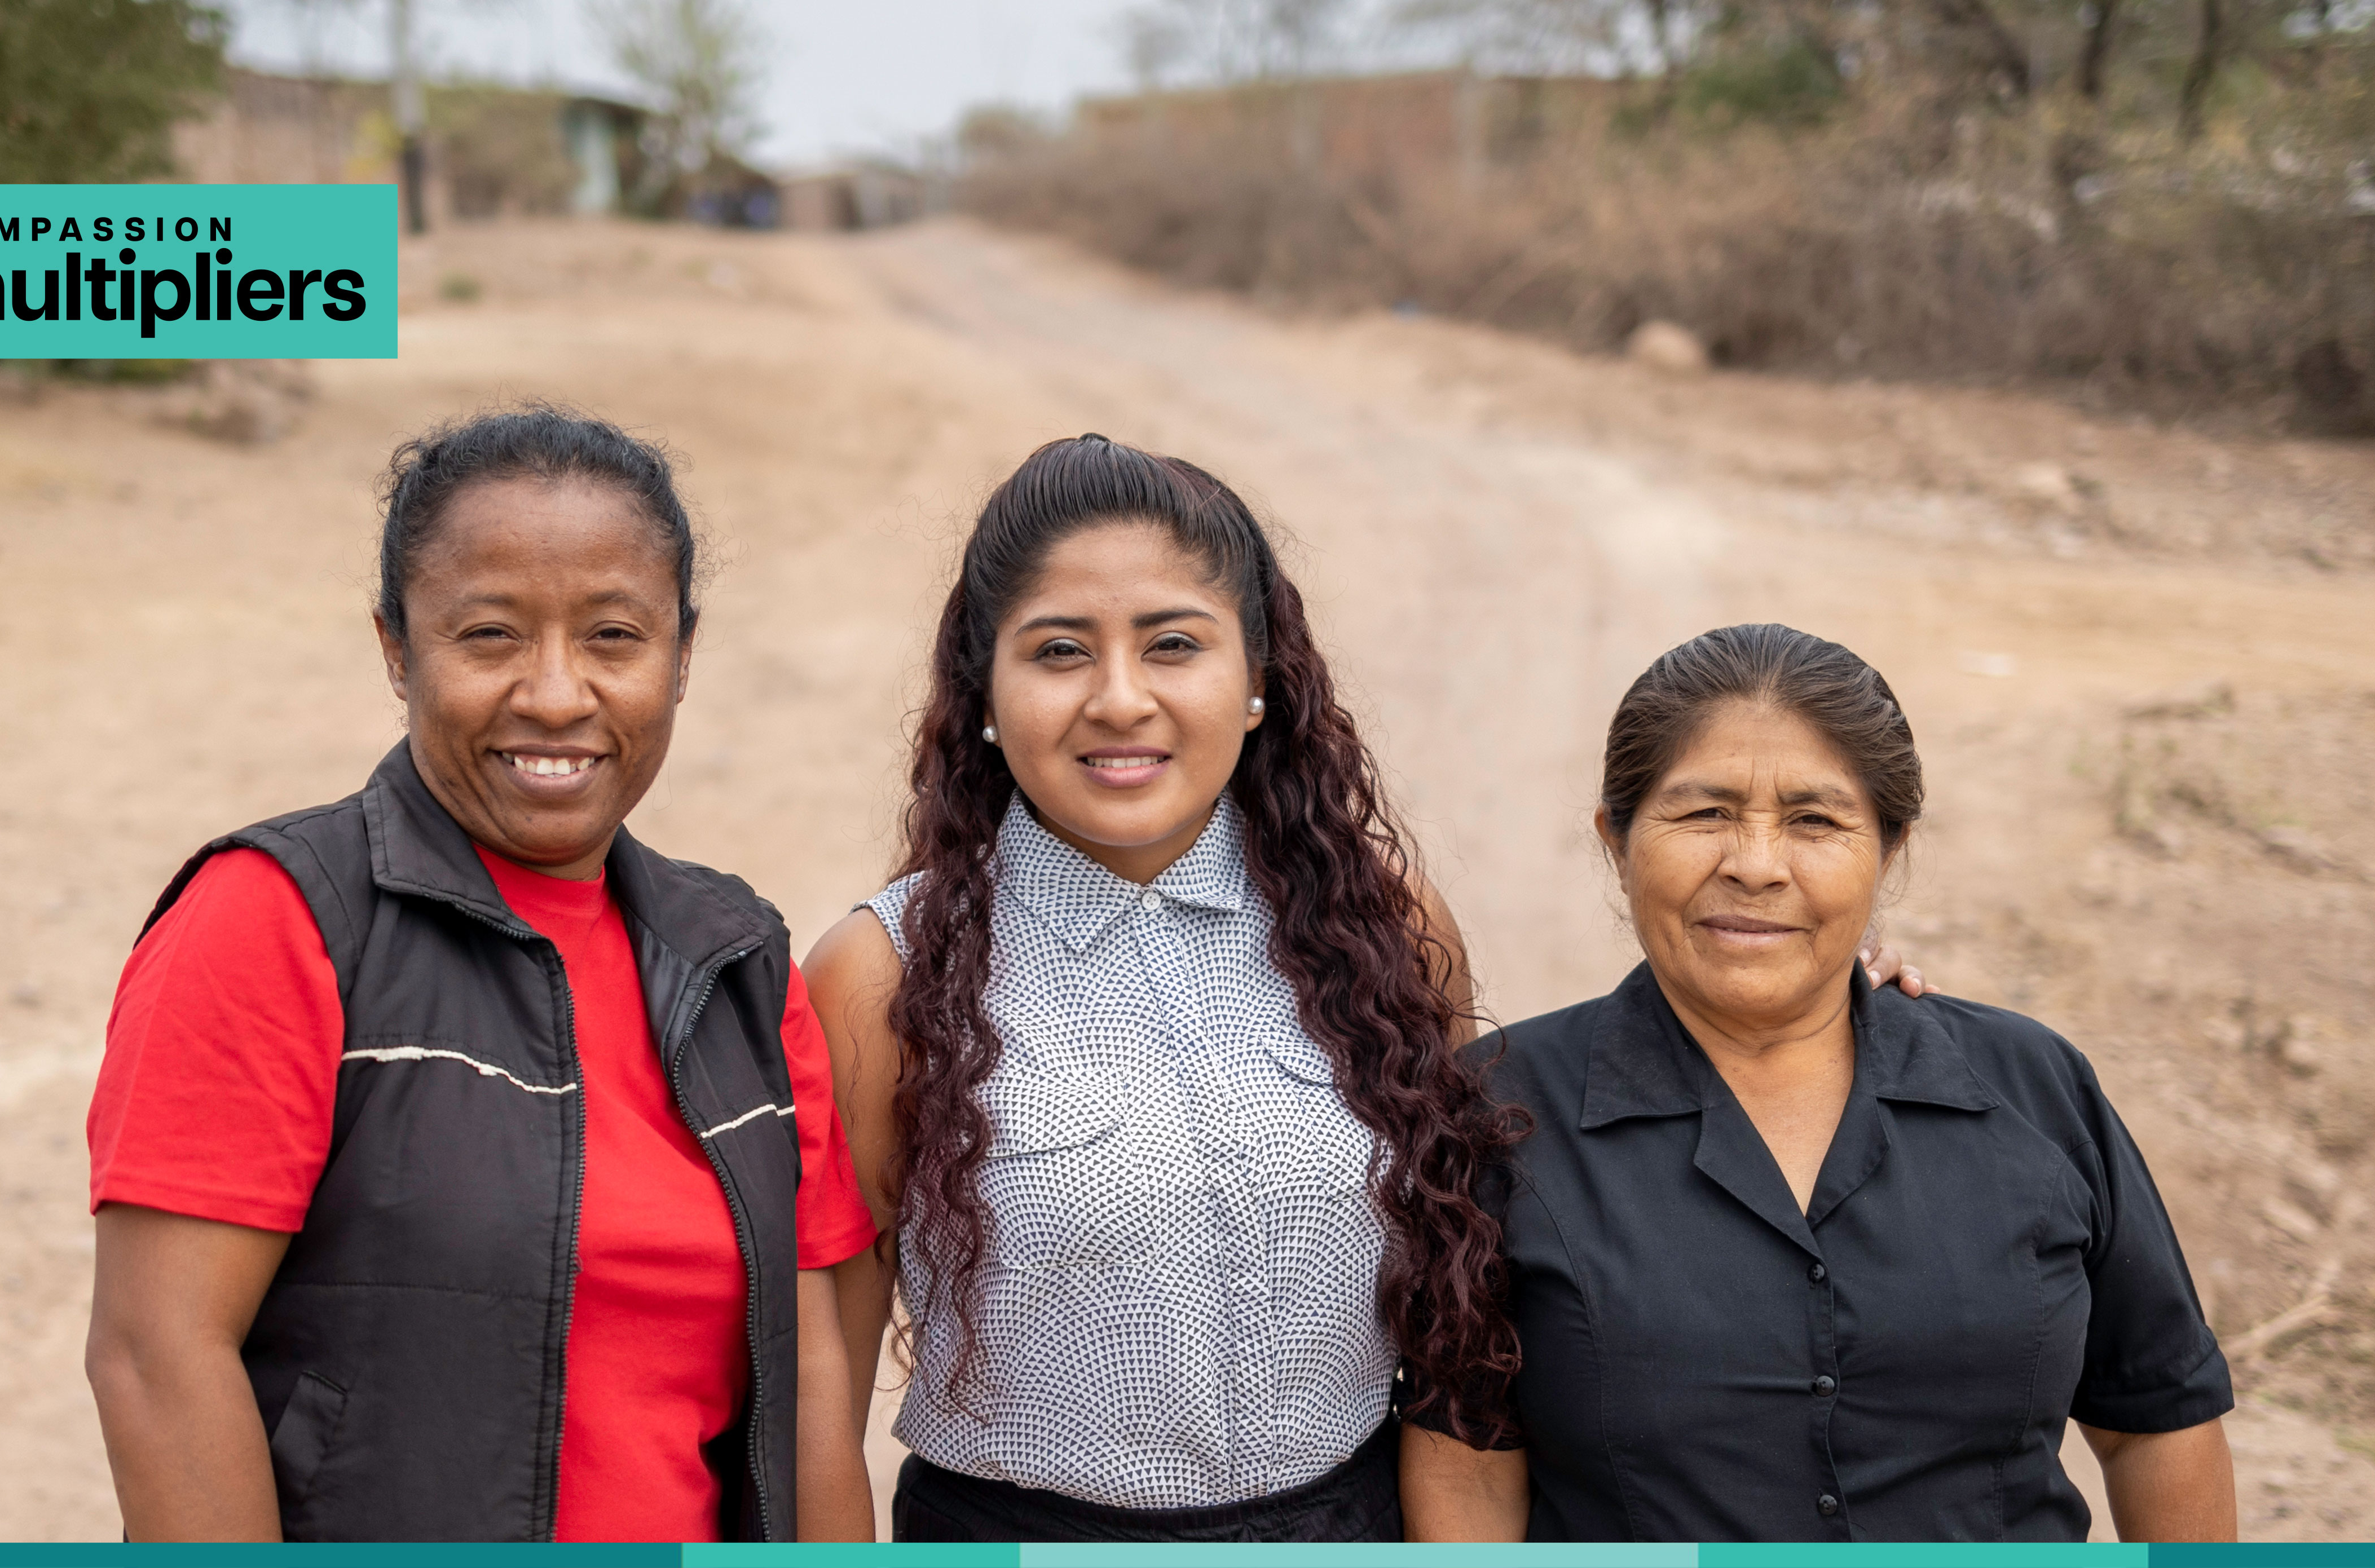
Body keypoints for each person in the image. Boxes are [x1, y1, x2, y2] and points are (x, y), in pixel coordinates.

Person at [803, 441, 1934, 1542]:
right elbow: (824, 1376)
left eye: (1174, 645)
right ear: (985, 692)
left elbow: (1515, 1186)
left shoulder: (1377, 920)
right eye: (1059, 651)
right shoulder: (883, 973)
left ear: (1256, 681)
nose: (1120, 698)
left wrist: (1818, 993)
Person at [81, 407, 877, 1543]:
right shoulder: (277, 915)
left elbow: (810, 1384)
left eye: (613, 635)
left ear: (683, 657)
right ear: (398, 649)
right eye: (490, 634)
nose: (556, 694)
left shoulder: (737, 959)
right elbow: (158, 1356)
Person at [1404, 623, 2239, 1543]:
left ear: (1889, 847)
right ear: (1617, 838)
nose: (1756, 864)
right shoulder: (1501, 1112)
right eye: (1704, 813)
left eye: (1815, 820)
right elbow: (1468, 1468)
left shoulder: (2031, 1086)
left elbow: (2155, 1423)